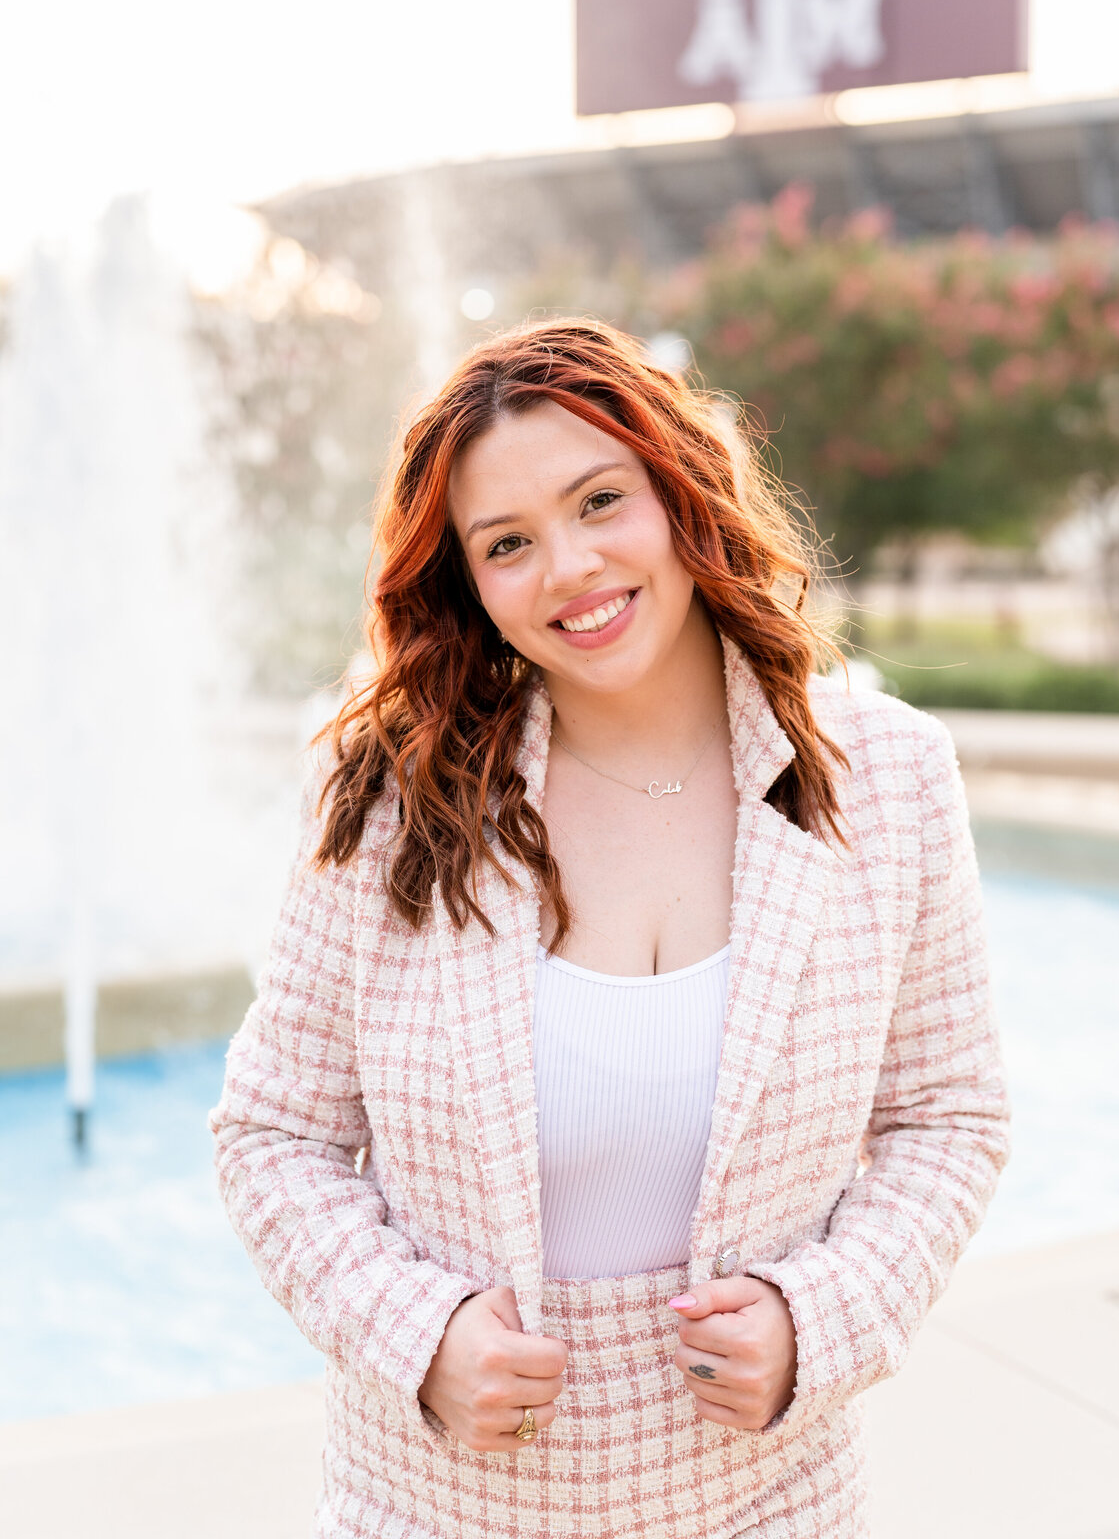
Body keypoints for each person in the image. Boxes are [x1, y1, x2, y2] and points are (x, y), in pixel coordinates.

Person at [211, 320, 1009, 1539]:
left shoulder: (887, 777)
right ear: (466, 583)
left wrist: (823, 1318)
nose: (571, 568)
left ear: (680, 494)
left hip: (770, 1506)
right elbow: (273, 1135)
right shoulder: (390, 799)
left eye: (600, 501)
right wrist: (417, 1334)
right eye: (508, 544)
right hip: (440, 1512)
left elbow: (947, 1117)